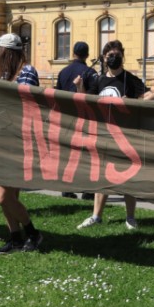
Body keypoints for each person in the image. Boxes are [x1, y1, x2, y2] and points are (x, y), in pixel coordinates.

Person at [78, 40, 154, 231]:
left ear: (122, 56)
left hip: (125, 136)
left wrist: (131, 101)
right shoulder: (98, 80)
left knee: (128, 177)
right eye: (109, 55)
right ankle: (96, 216)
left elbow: (151, 96)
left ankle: (130, 218)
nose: (113, 58)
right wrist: (80, 87)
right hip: (104, 134)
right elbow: (87, 101)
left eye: (116, 55)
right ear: (104, 59)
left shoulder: (129, 79)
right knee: (102, 177)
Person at [0, 33, 43, 253]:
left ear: (7, 53)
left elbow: (24, 106)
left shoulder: (27, 72)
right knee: (8, 197)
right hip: (6, 140)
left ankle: (33, 233)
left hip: (20, 143)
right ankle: (15, 237)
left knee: (3, 198)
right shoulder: (5, 75)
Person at [55, 41, 100, 200]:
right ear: (87, 55)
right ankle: (87, 190)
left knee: (68, 154)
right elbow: (94, 98)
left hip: (66, 118)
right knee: (86, 155)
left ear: (73, 53)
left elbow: (57, 96)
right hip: (84, 118)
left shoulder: (63, 72)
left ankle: (66, 188)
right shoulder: (91, 73)